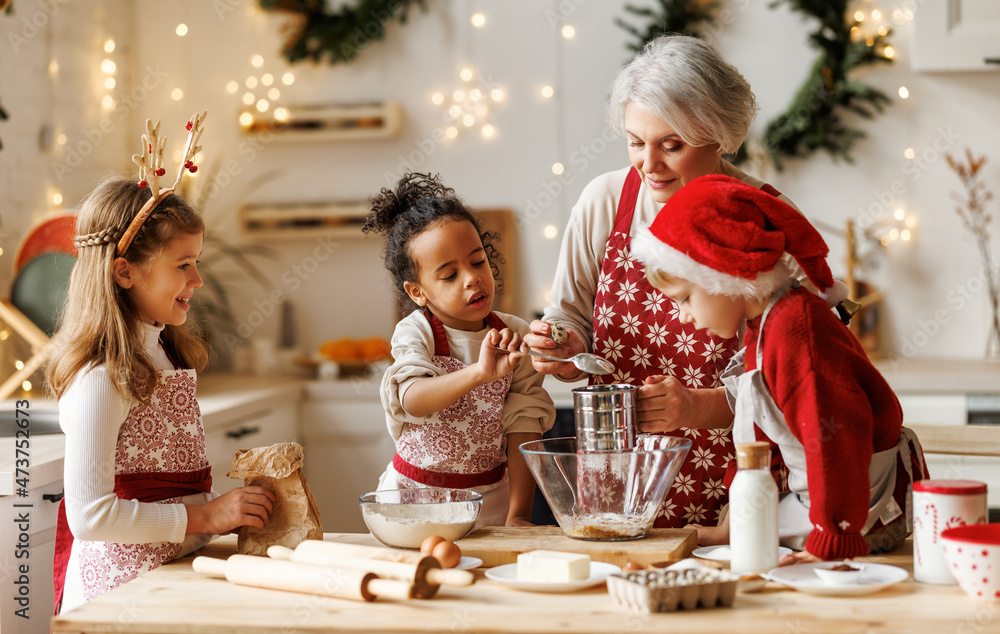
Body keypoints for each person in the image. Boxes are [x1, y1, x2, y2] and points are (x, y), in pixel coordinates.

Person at [526, 34, 797, 528]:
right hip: (617, 472)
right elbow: (569, 316)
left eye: (672, 145)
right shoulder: (604, 202)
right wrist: (562, 347)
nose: (649, 164)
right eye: (635, 142)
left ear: (720, 135)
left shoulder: (765, 219)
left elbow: (791, 376)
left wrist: (699, 406)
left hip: (735, 490)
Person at [632, 173, 927, 562]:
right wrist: (731, 527)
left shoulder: (796, 330)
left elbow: (836, 441)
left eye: (685, 298)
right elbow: (756, 440)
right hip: (822, 498)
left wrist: (832, 539)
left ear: (726, 272)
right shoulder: (763, 326)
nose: (683, 316)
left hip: (864, 509)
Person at [46, 116, 275, 613]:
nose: (197, 279)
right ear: (124, 272)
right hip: (121, 595)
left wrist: (220, 514)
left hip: (171, 574)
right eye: (182, 265)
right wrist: (207, 517)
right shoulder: (101, 377)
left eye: (197, 261)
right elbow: (90, 516)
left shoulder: (163, 351)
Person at [364, 173, 555, 527]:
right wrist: (480, 373)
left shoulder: (515, 335)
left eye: (478, 261)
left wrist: (518, 514)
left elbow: (524, 429)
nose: (472, 278)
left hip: (490, 503)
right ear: (418, 292)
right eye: (449, 276)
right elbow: (411, 400)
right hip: (412, 500)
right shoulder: (415, 332)